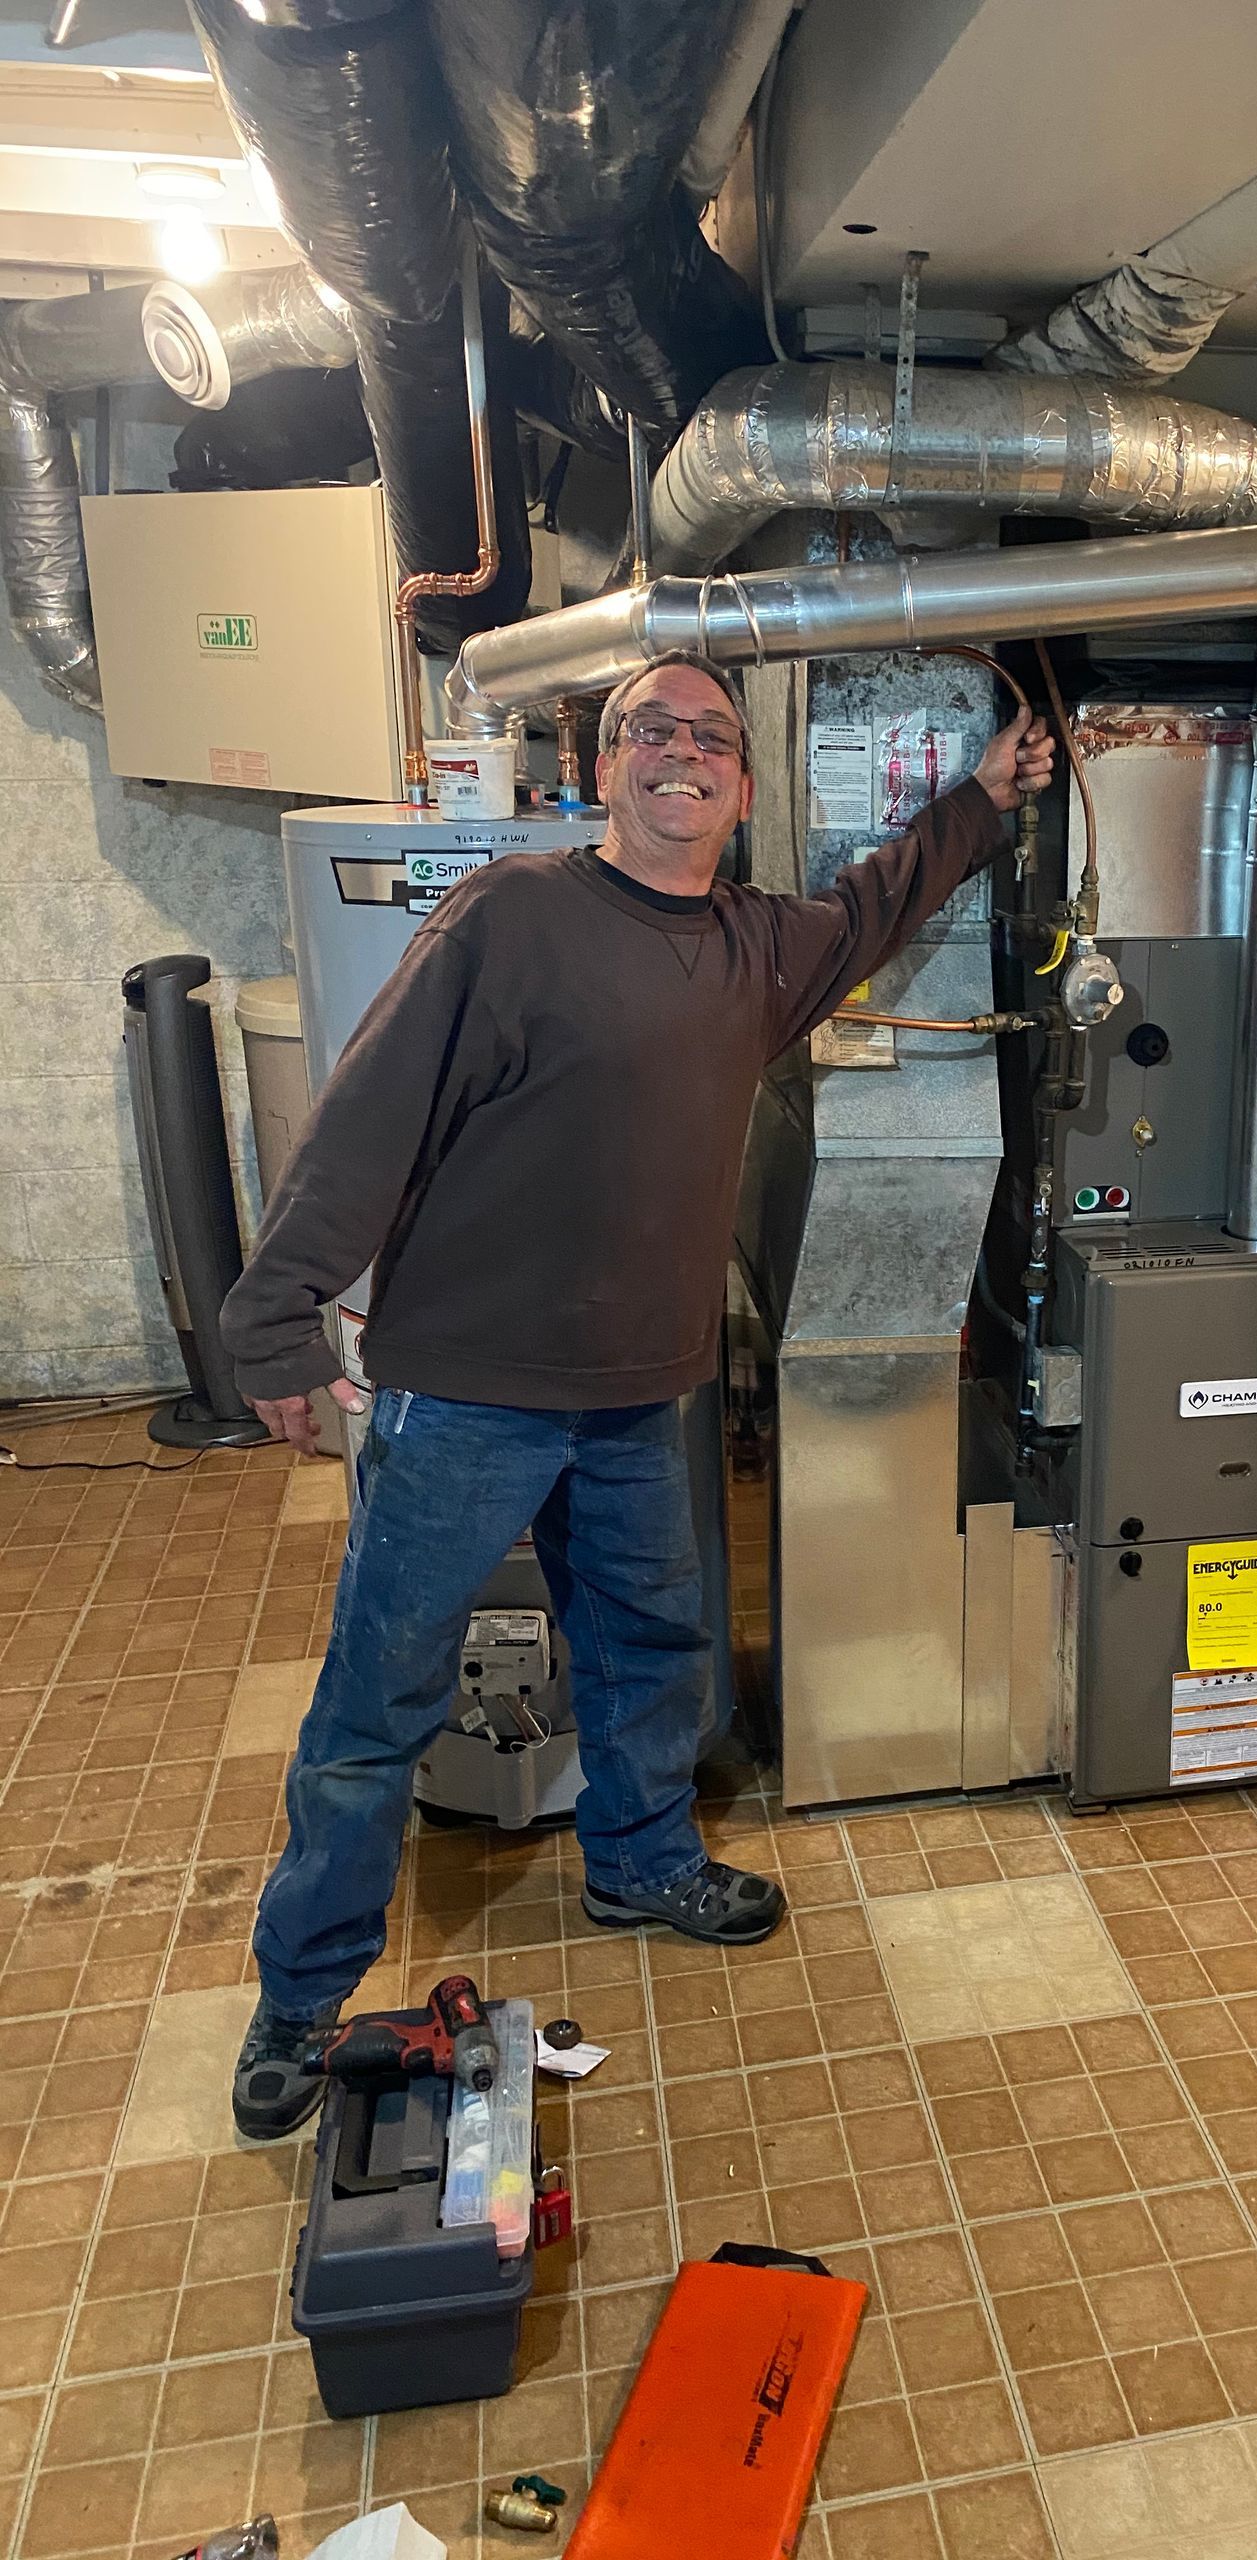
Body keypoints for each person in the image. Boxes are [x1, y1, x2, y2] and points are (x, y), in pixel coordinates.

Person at [219, 650, 1054, 2138]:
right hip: (467, 1387)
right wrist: (278, 1316)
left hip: (640, 1390)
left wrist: (982, 803)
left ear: (741, 783)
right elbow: (368, 1112)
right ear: (605, 768)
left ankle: (643, 1859)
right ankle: (299, 1998)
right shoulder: (514, 914)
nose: (681, 753)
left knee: (650, 1640)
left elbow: (877, 902)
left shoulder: (757, 946)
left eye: (710, 738)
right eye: (648, 731)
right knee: (380, 1693)